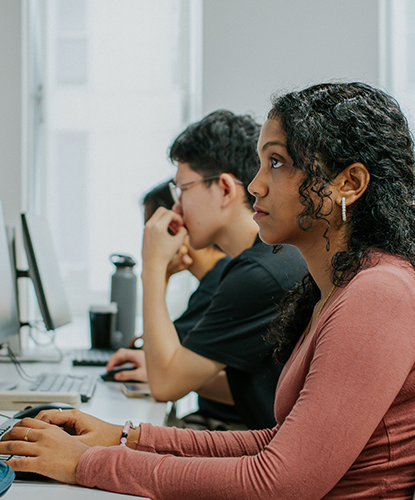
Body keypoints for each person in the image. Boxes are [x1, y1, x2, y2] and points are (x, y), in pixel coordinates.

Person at [0, 82, 415, 499]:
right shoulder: (359, 287)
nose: (254, 185)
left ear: (349, 183)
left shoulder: (379, 296)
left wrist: (92, 464)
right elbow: (280, 446)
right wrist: (126, 437)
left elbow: (279, 480)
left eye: (276, 162)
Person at [106, 110, 308, 430]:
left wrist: (153, 267)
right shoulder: (271, 259)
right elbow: (260, 388)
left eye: (183, 189)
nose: (176, 207)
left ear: (226, 189)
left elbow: (165, 385)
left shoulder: (256, 274)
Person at [139, 180, 242, 428]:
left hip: (224, 425)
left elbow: (164, 370)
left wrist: (155, 270)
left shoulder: (222, 282)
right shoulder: (214, 278)